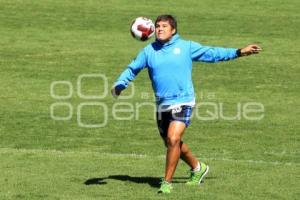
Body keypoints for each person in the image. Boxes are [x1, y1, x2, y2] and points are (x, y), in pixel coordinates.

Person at [111, 14, 262, 194]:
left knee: (173, 139)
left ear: (173, 30)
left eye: (164, 26)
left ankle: (166, 182)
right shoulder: (148, 51)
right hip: (162, 105)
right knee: (172, 143)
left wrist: (238, 52)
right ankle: (198, 168)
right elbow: (132, 69)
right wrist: (120, 84)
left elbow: (213, 53)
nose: (159, 29)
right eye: (158, 26)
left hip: (183, 101)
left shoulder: (186, 47)